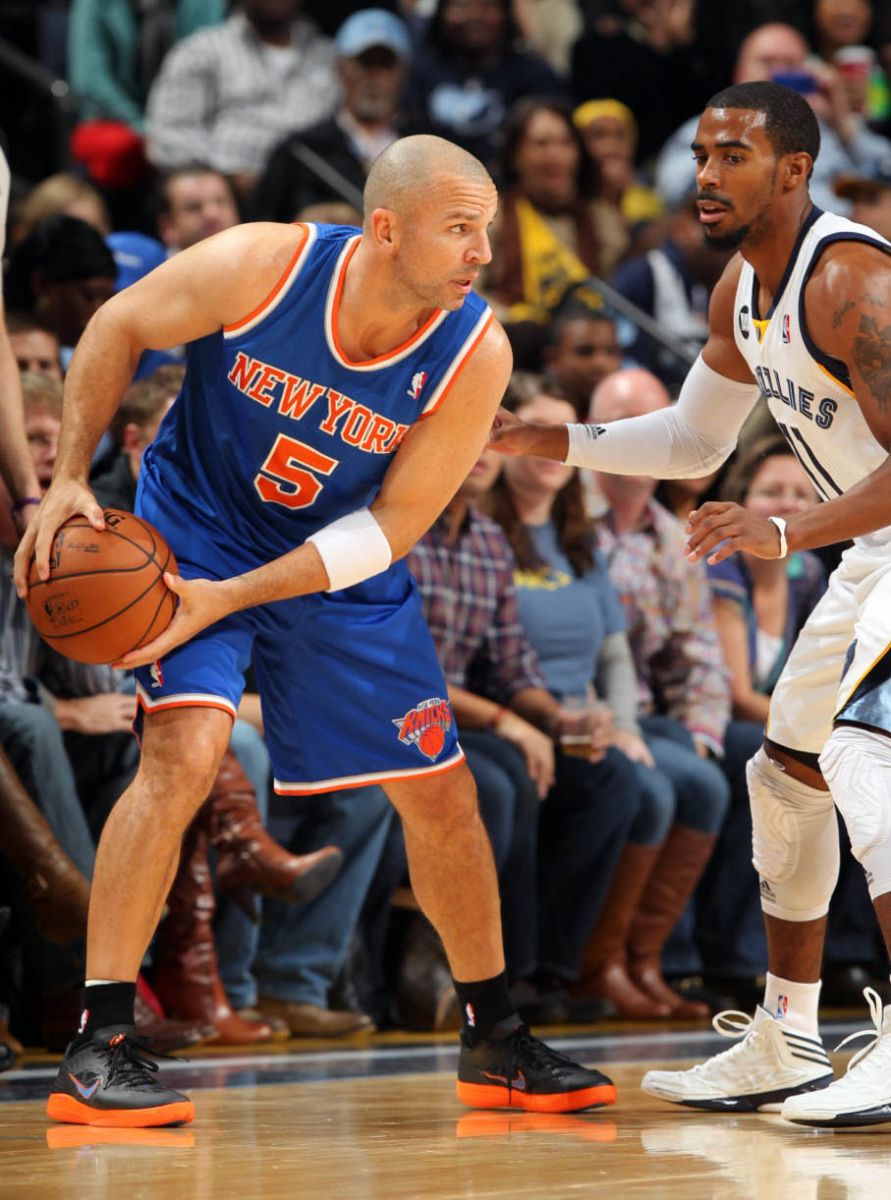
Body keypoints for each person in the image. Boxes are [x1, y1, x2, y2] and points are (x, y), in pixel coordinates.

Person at [17, 135, 614, 1126]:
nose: (481, 252)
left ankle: (494, 1035)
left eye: (488, 232)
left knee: (443, 789)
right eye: (459, 229)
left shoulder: (476, 348)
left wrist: (239, 595)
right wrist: (72, 473)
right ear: (386, 229)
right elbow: (120, 323)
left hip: (337, 558)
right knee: (187, 751)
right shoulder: (264, 264)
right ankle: (98, 1044)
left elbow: (390, 528)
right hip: (194, 526)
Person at [491, 79, 891, 1129]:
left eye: (735, 156)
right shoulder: (737, 292)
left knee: (860, 755)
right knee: (786, 773)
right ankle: (788, 1035)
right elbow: (694, 444)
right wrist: (553, 441)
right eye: (703, 155)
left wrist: (788, 531)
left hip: (872, 541)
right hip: (871, 551)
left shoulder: (850, 280)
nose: (707, 175)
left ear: (794, 170)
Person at [655, 23, 891, 218]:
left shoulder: (827, 130)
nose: (777, 75)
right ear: (740, 73)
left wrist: (841, 123)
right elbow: (673, 191)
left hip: (842, 248)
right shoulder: (710, 126)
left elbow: (884, 169)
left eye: (790, 65)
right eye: (767, 63)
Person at [145, 0, 340, 199]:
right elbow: (169, 135)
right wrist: (223, 178)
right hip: (227, 196)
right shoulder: (201, 51)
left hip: (310, 193)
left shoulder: (329, 56)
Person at [250, 9, 412, 224]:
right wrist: (303, 226)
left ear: (403, 73)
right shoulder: (300, 151)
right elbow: (260, 225)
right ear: (339, 69)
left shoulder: (431, 146)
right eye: (363, 64)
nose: (373, 77)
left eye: (385, 65)